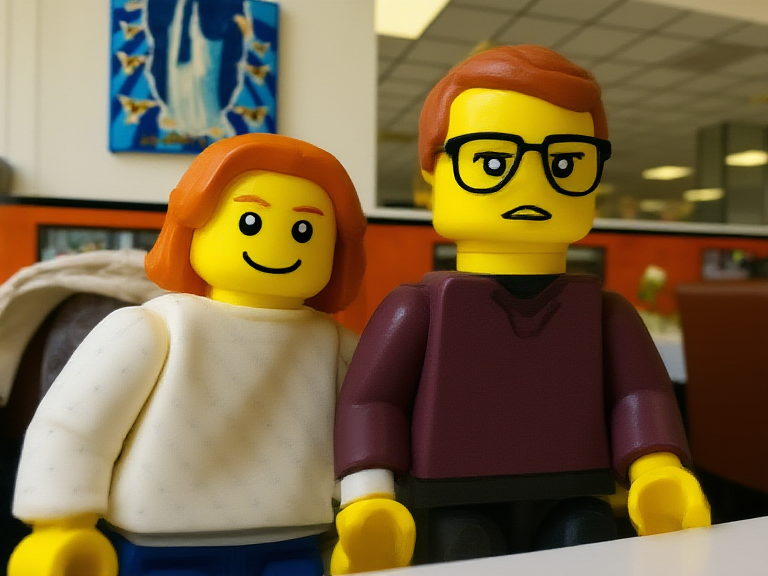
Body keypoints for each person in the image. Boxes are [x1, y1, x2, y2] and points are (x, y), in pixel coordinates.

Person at [331, 45, 710, 573]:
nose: (531, 182)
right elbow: (371, 402)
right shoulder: (418, 309)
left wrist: (657, 470)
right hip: (453, 504)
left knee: (584, 541)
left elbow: (640, 394)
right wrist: (369, 496)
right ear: (433, 173)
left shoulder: (605, 313)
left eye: (565, 162)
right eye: (492, 160)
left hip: (573, 497)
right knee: (465, 550)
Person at [9, 133, 367, 576]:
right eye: (251, 222)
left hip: (295, 536)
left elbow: (364, 430)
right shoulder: (155, 327)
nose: (279, 245)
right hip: (165, 542)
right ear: (194, 226)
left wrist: (365, 503)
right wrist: (60, 522)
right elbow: (76, 423)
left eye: (303, 231)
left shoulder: (333, 344)